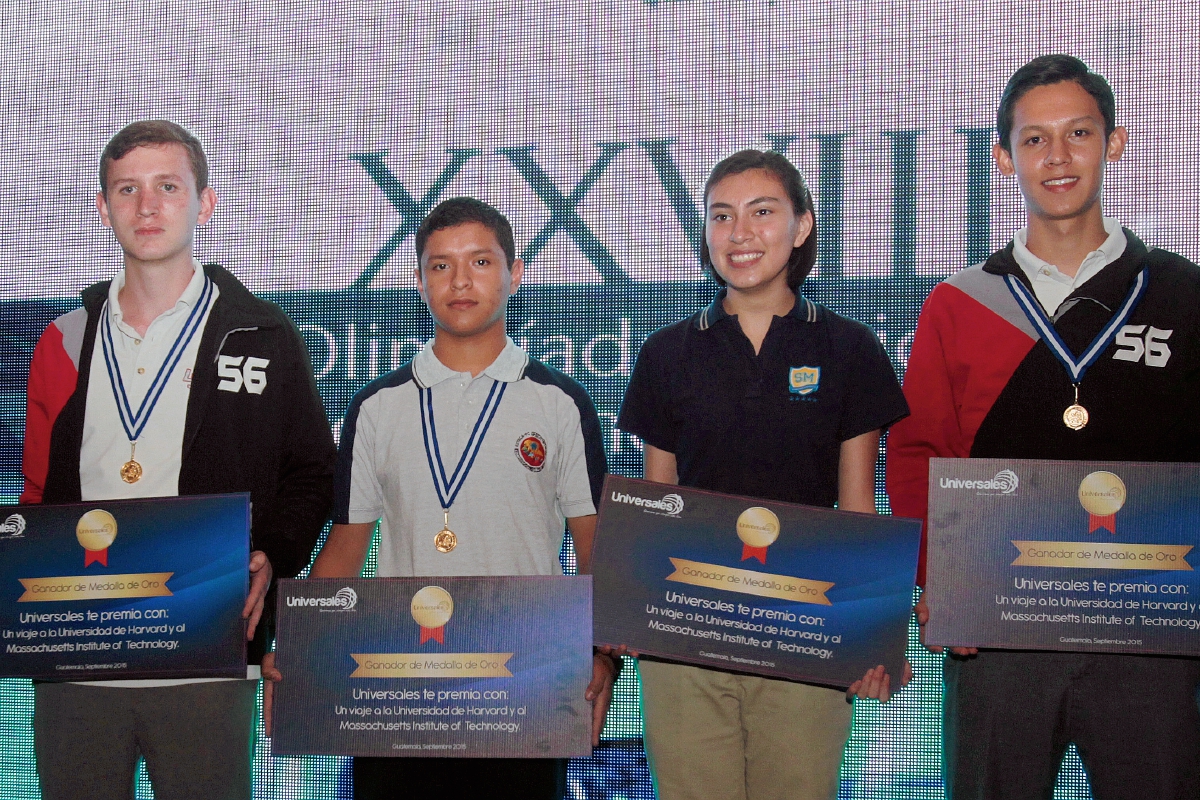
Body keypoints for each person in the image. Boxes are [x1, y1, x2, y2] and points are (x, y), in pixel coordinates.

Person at [887, 54, 1200, 798]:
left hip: (1152, 635)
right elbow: (919, 451)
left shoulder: (1185, 294)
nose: (1056, 158)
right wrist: (941, 582)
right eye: (1034, 140)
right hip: (996, 629)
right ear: (1003, 158)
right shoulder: (960, 302)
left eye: (1078, 134)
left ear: (1114, 143)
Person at [20, 120, 336, 800]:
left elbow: (313, 473)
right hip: (79, 662)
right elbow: (37, 495)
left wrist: (275, 552)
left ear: (205, 202)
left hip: (208, 655)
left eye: (168, 186)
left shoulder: (264, 333)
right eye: (127, 190)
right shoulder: (63, 339)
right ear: (103, 209)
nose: (147, 206)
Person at [261, 197, 616, 800]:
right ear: (419, 280)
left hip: (524, 685)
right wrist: (296, 649)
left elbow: (597, 553)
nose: (460, 281)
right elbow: (345, 550)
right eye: (439, 265)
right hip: (402, 687)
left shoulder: (560, 404)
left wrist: (602, 657)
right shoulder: (378, 406)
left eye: (480, 261)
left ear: (515, 273)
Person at [617, 149, 911, 800]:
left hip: (806, 637)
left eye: (762, 212)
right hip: (687, 639)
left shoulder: (848, 348)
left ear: (802, 226)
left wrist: (873, 637)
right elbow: (658, 500)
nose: (740, 233)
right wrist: (633, 612)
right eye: (722, 216)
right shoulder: (666, 353)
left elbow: (857, 506)